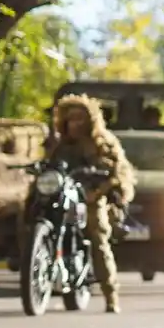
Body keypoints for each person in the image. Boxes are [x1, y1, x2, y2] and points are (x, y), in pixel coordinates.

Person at [44, 95, 136, 314]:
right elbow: (49, 166)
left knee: (98, 238)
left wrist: (98, 191)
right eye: (70, 119)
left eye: (79, 119)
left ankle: (110, 294)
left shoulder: (102, 142)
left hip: (92, 198)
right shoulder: (59, 145)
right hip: (63, 197)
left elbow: (115, 172)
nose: (74, 124)